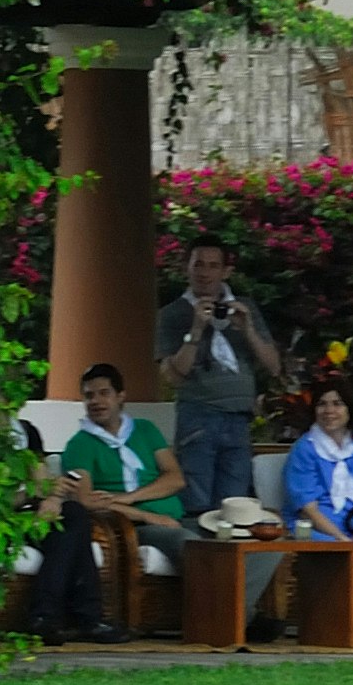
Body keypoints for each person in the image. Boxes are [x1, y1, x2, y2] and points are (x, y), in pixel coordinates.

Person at [35, 363, 187, 645]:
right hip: (136, 524)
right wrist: (145, 515)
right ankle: (224, 617)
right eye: (89, 396)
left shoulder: (145, 430)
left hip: (173, 514)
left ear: (121, 396)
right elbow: (85, 501)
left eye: (104, 393)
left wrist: (131, 496)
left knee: (253, 548)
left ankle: (246, 615)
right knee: (195, 546)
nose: (96, 402)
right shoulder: (81, 443)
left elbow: (176, 479)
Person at [155, 237, 282, 516]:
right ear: (185, 268)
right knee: (196, 504)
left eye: (213, 266)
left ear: (225, 271)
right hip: (199, 418)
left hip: (238, 420)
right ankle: (197, 558)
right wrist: (197, 329)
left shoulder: (244, 307)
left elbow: (273, 366)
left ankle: (227, 560)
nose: (205, 272)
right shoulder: (173, 314)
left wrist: (247, 329)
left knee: (235, 507)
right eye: (198, 264)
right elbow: (173, 377)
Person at [283, 382, 353, 643]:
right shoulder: (304, 448)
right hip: (315, 526)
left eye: (337, 403)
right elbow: (308, 507)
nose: (329, 410)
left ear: (349, 410)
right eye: (323, 404)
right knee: (331, 550)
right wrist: (341, 540)